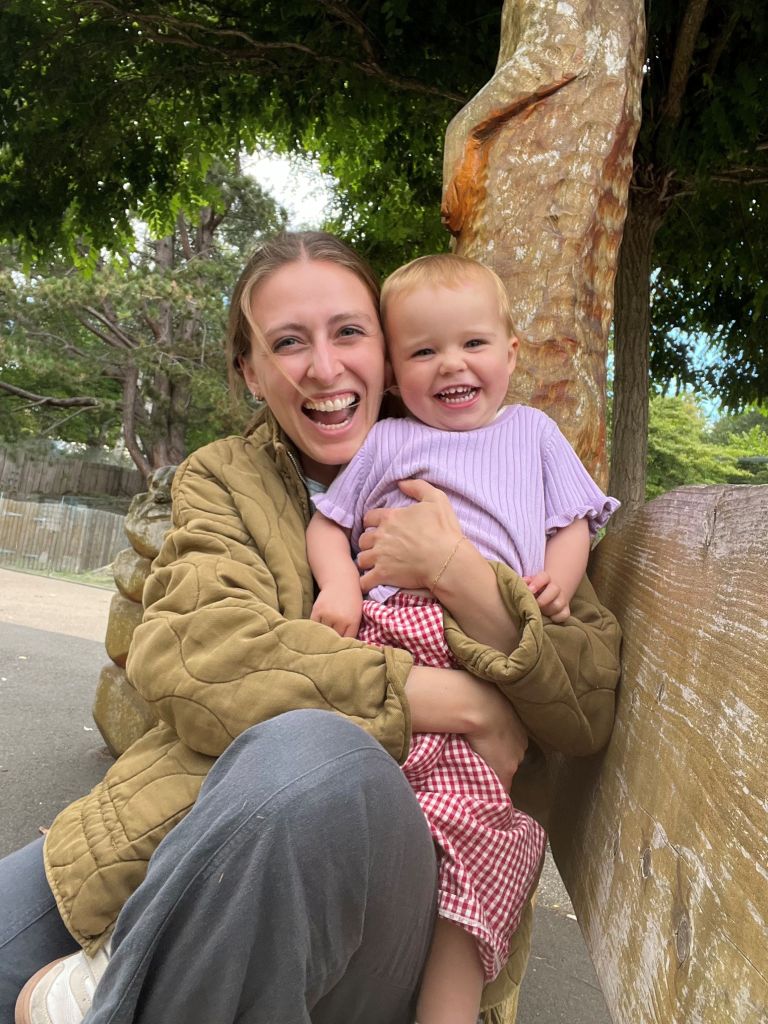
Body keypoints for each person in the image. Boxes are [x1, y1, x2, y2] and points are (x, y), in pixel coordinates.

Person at [2, 232, 621, 1024]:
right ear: (250, 373)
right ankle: (118, 974)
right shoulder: (225, 477)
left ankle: (113, 990)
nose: (324, 369)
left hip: (400, 891)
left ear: (385, 353)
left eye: (348, 332)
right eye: (288, 343)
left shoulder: (500, 471)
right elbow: (198, 657)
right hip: (152, 837)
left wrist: (457, 573)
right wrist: (468, 704)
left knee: (318, 757)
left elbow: (588, 695)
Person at [307, 253, 619, 1023]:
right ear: (392, 374)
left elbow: (572, 518)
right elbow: (329, 521)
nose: (452, 364)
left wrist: (559, 574)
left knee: (476, 837)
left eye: (473, 344)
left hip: (486, 651)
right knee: (358, 804)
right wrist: (343, 584)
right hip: (396, 639)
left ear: (511, 353)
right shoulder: (388, 441)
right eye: (423, 351)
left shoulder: (535, 432)